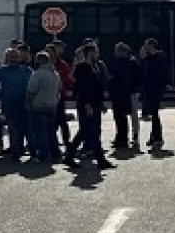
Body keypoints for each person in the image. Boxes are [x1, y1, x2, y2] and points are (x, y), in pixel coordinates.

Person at [69, 42, 112, 170]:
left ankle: (69, 156)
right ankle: (100, 160)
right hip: (86, 104)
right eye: (96, 52)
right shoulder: (82, 68)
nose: (98, 54)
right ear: (90, 52)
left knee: (87, 131)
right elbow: (82, 88)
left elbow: (96, 87)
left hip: (95, 103)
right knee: (91, 130)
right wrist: (87, 104)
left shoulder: (95, 67)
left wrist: (101, 102)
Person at [0, 49, 32, 160]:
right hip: (9, 103)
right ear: (7, 58)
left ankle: (26, 149)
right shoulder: (2, 70)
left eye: (16, 57)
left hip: (25, 102)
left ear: (19, 58)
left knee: (26, 128)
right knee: (13, 128)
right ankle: (15, 151)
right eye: (11, 57)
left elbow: (33, 82)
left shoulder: (26, 70)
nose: (14, 59)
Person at [25, 51, 61, 163]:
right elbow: (59, 90)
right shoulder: (55, 74)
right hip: (52, 105)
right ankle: (55, 153)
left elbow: (31, 91)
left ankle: (43, 154)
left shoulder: (37, 74)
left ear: (40, 61)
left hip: (39, 105)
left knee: (41, 132)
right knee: (51, 131)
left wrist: (28, 103)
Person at [140, 38, 169, 149]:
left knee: (155, 113)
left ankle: (157, 136)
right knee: (153, 113)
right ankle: (154, 135)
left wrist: (163, 87)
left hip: (155, 89)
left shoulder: (158, 58)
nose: (144, 47)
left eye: (146, 45)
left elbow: (161, 73)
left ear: (152, 46)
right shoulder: (148, 58)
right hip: (148, 89)